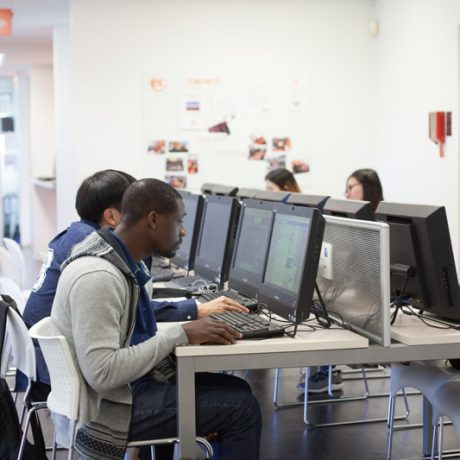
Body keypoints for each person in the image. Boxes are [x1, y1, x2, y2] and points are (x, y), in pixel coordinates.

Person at [51, 178, 262, 459]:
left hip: (122, 392)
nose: (183, 231)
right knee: (241, 408)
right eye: (179, 221)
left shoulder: (120, 260)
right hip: (106, 412)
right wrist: (179, 334)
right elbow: (103, 373)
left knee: (238, 389)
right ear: (153, 220)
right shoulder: (98, 276)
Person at [23, 169, 247, 393]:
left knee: (226, 390)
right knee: (236, 400)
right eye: (130, 211)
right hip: (64, 377)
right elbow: (104, 368)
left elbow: (129, 307)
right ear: (112, 216)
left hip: (59, 366)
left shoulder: (83, 238)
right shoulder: (97, 260)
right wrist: (186, 323)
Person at [306, 168, 384, 394]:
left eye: (351, 187)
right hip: (354, 290)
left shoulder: (381, 223)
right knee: (320, 301)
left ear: (368, 188)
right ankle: (326, 367)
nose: (347, 193)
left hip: (370, 295)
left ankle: (329, 368)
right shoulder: (348, 222)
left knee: (326, 304)